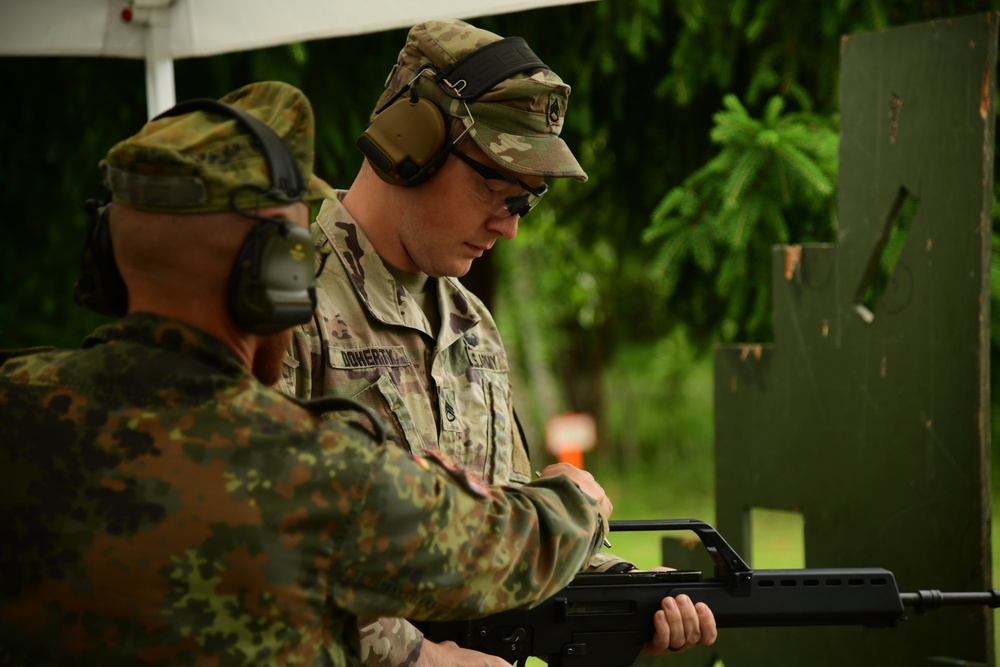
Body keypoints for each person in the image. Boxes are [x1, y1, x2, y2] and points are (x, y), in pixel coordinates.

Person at [0, 81, 617, 667]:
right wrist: (579, 502)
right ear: (275, 283)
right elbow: (498, 548)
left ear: (107, 256)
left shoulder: (17, 410)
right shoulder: (311, 469)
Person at [278, 19, 717, 666]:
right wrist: (416, 658)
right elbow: (261, 549)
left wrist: (622, 592)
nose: (508, 228)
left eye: (526, 203)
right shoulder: (289, 306)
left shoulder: (471, 323)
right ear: (411, 141)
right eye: (496, 189)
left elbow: (506, 530)